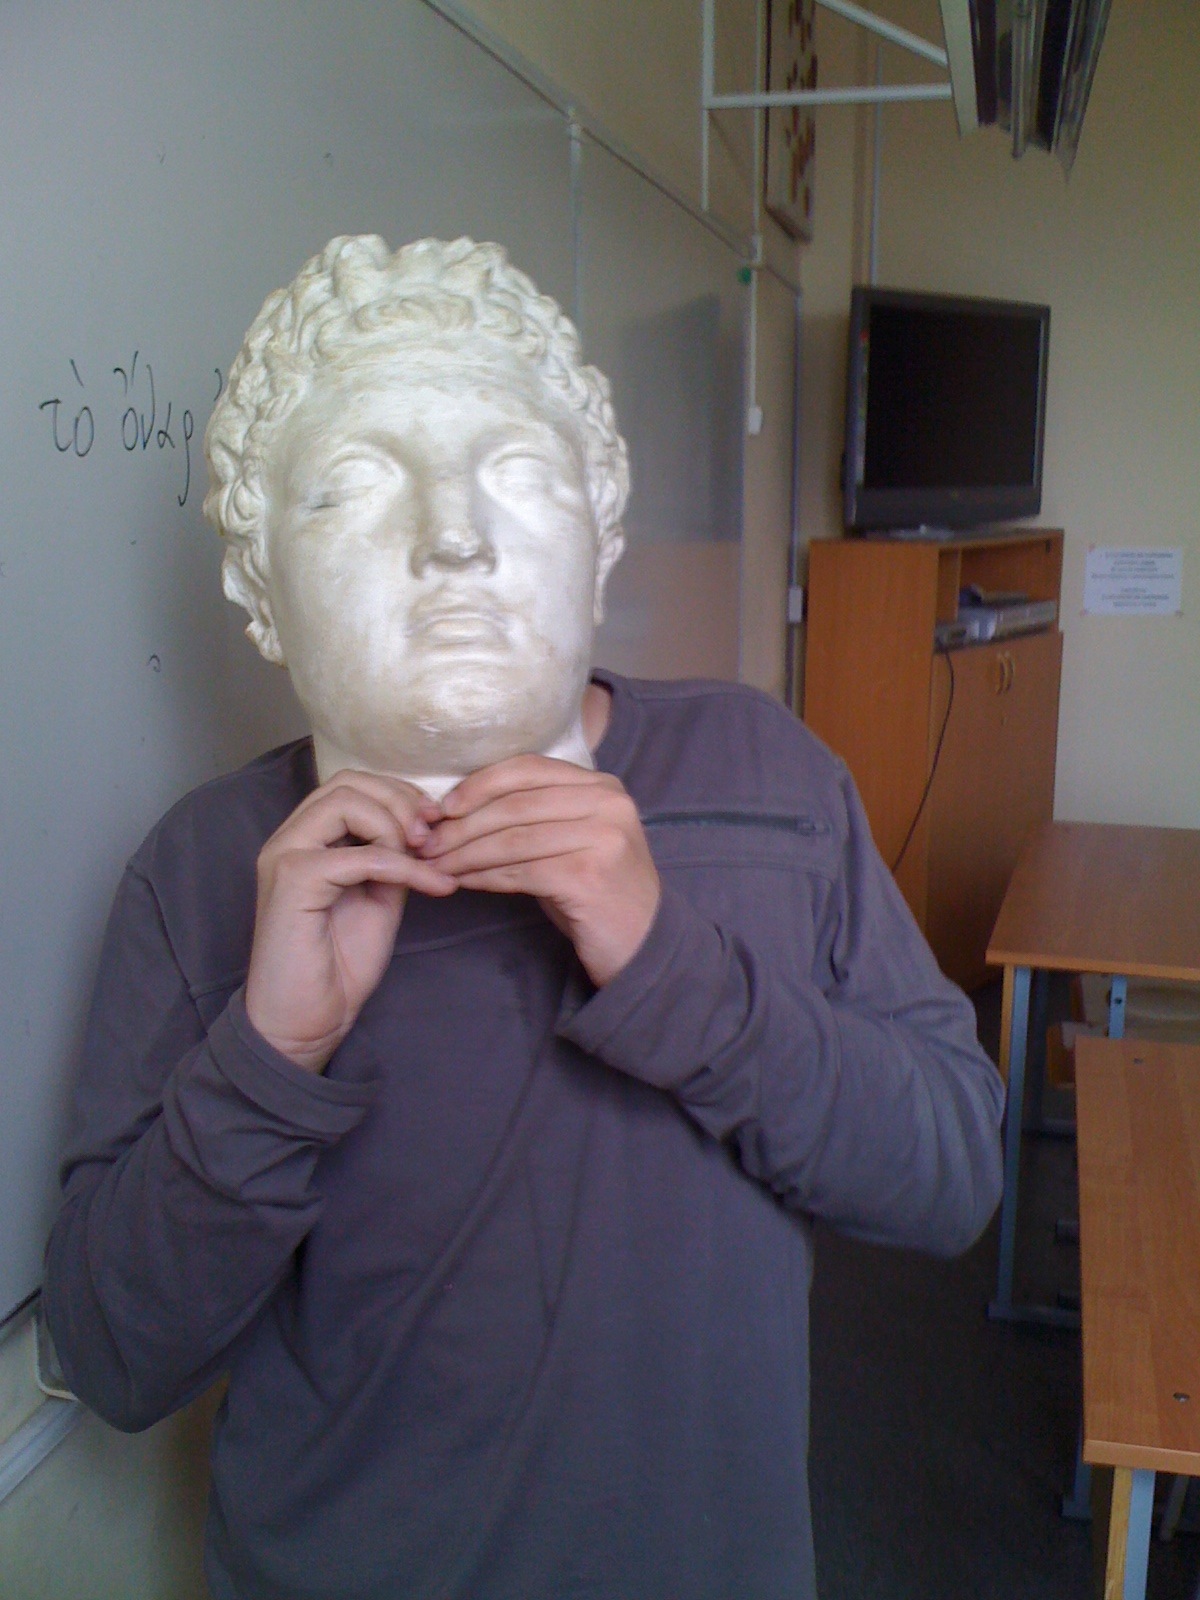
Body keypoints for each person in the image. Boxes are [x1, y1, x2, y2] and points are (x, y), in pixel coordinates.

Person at [44, 236, 1004, 1600]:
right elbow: (112, 1355)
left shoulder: (765, 775)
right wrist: (269, 1058)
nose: (454, 537)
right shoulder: (203, 874)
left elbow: (951, 1175)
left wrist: (675, 968)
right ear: (261, 588)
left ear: (599, 544)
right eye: (354, 485)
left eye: (517, 473)